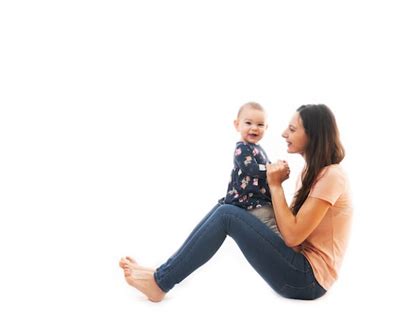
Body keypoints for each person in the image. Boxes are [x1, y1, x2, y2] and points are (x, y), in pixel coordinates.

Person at [119, 104, 352, 302]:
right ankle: (162, 274)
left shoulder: (332, 176)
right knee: (226, 207)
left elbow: (292, 236)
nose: (283, 134)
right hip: (296, 267)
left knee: (227, 215)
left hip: (306, 280)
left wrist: (274, 185)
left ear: (313, 135)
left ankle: (160, 284)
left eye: (292, 129)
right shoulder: (310, 173)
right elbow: (288, 225)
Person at [220, 101, 280, 236]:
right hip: (250, 203)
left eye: (260, 125)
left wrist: (277, 168)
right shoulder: (242, 148)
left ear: (266, 127)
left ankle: (289, 251)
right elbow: (251, 169)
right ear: (237, 125)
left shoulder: (258, 149)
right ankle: (287, 253)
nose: (254, 128)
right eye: (248, 123)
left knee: (276, 227)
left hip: (261, 202)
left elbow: (267, 169)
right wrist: (272, 168)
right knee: (273, 232)